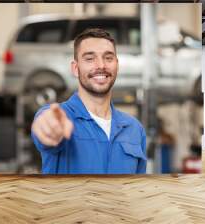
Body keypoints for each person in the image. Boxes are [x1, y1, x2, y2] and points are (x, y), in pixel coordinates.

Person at [31, 28, 147, 174]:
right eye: (90, 58)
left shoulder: (134, 129)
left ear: (117, 65)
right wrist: (49, 128)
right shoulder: (60, 117)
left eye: (108, 58)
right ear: (75, 68)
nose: (101, 65)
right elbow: (45, 126)